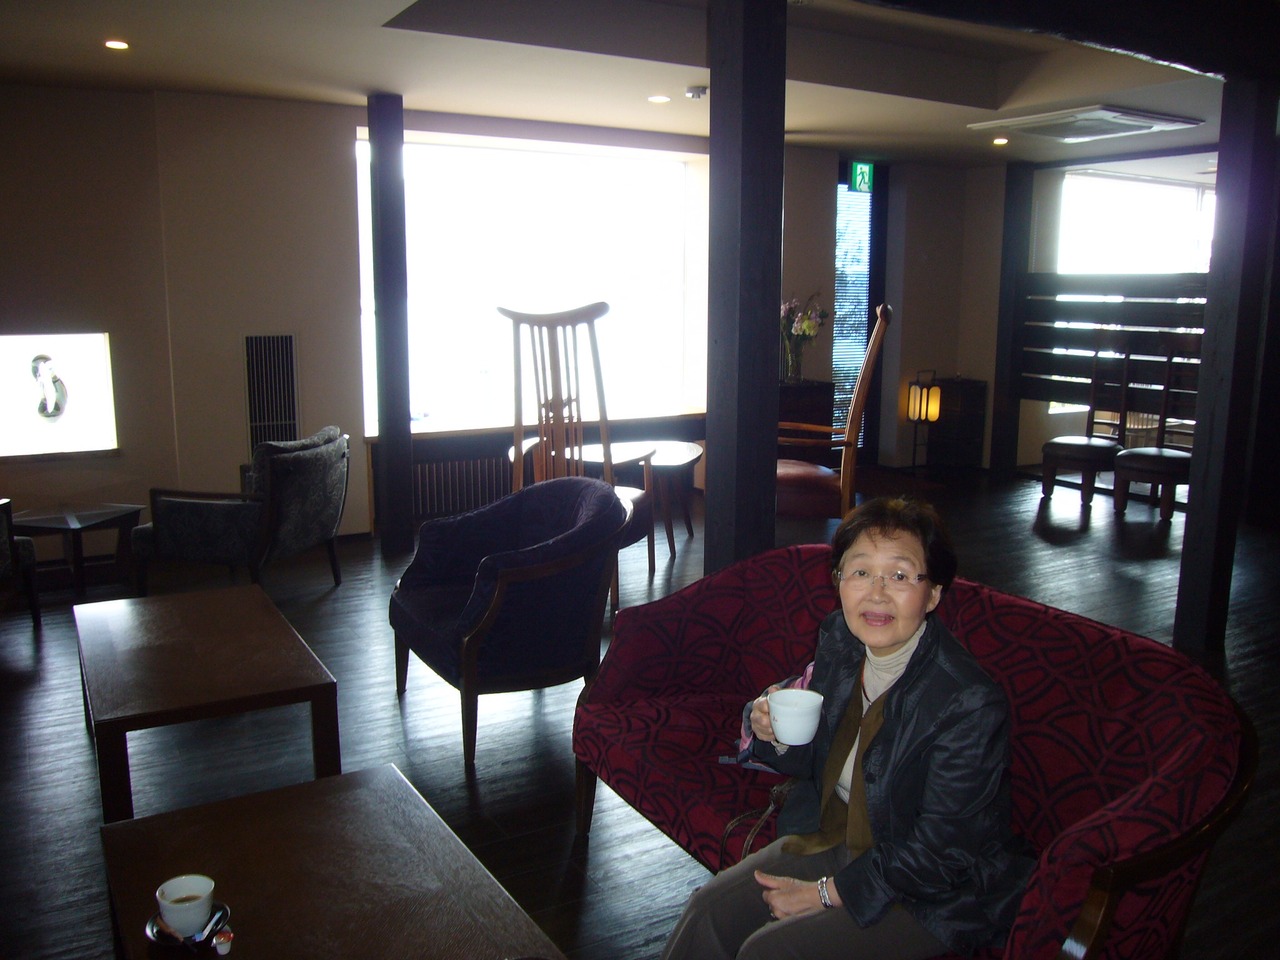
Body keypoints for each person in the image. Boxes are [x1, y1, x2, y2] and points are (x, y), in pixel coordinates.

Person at [661, 496, 1034, 960]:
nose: (876, 593)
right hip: (838, 836)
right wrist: (773, 735)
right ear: (839, 581)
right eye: (860, 572)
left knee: (770, 952)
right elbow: (817, 758)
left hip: (936, 892)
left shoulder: (967, 701)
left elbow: (941, 855)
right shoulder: (841, 641)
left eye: (900, 576)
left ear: (934, 593)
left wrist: (825, 893)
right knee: (707, 912)